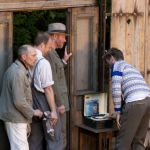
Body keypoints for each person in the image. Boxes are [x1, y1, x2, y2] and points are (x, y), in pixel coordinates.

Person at [103, 47, 150, 150]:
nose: (109, 66)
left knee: (122, 143)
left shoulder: (117, 66)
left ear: (111, 58)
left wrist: (118, 112)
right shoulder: (131, 67)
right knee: (138, 140)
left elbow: (116, 90)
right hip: (147, 100)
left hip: (135, 102)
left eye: (108, 63)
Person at [0, 45, 43, 150]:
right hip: (15, 118)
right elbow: (19, 101)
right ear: (24, 57)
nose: (35, 58)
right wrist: (33, 112)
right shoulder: (18, 73)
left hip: (16, 117)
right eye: (33, 55)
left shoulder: (19, 69)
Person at [28, 32, 59, 150]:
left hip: (33, 105)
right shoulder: (43, 62)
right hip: (44, 104)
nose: (49, 50)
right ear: (42, 45)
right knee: (53, 139)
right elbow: (48, 89)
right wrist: (53, 111)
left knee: (35, 140)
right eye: (49, 47)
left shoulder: (28, 60)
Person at [46, 23, 72, 150]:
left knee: (61, 135)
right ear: (55, 36)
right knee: (59, 136)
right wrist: (60, 103)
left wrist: (64, 61)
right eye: (63, 36)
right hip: (57, 104)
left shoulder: (54, 54)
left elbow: (57, 72)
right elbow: (53, 81)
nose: (65, 40)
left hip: (59, 103)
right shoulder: (49, 54)